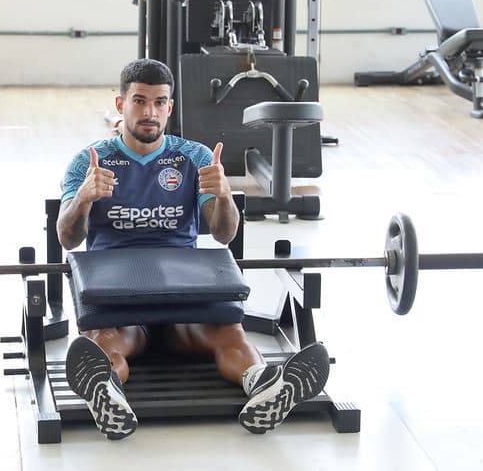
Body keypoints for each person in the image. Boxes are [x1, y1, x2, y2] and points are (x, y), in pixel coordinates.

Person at [57, 58, 330, 440]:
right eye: (139, 101)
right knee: (103, 342)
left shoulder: (195, 157)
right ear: (121, 105)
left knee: (230, 333)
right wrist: (84, 198)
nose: (149, 112)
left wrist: (224, 196)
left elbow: (223, 233)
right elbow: (67, 239)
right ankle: (107, 394)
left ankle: (263, 385)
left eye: (159, 102)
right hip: (117, 295)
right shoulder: (90, 162)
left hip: (181, 291)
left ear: (170, 107)